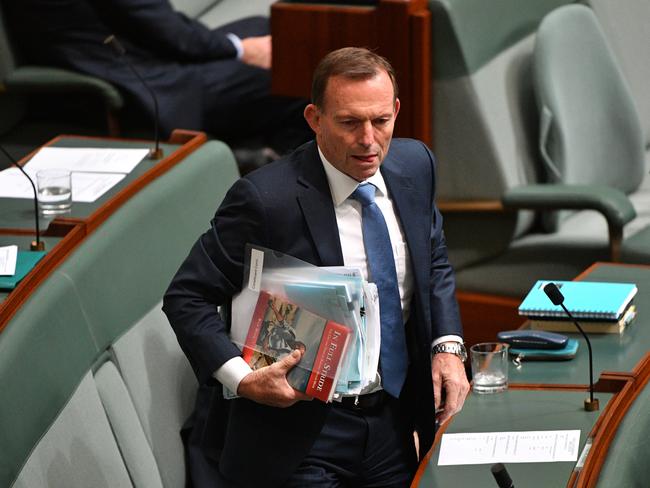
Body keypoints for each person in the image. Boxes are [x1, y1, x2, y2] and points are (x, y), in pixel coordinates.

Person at [163, 47, 470, 487]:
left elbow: (433, 258)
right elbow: (187, 297)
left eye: (381, 121)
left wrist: (447, 346)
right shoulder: (266, 201)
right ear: (314, 118)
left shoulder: (415, 166)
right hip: (301, 434)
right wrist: (244, 380)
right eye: (349, 123)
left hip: (392, 421)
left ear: (396, 111)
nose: (368, 139)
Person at [3, 0, 311, 162]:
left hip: (137, 54)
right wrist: (240, 48)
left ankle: (259, 151)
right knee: (304, 66)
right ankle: (282, 173)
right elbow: (168, 32)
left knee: (274, 28)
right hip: (143, 81)